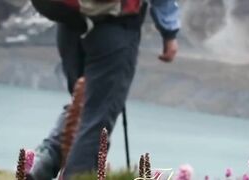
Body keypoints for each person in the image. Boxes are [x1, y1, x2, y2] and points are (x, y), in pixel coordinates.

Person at [27, 0, 180, 179]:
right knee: (95, 119)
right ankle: (73, 173)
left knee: (82, 107)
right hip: (113, 27)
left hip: (69, 22)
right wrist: (169, 32)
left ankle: (45, 160)